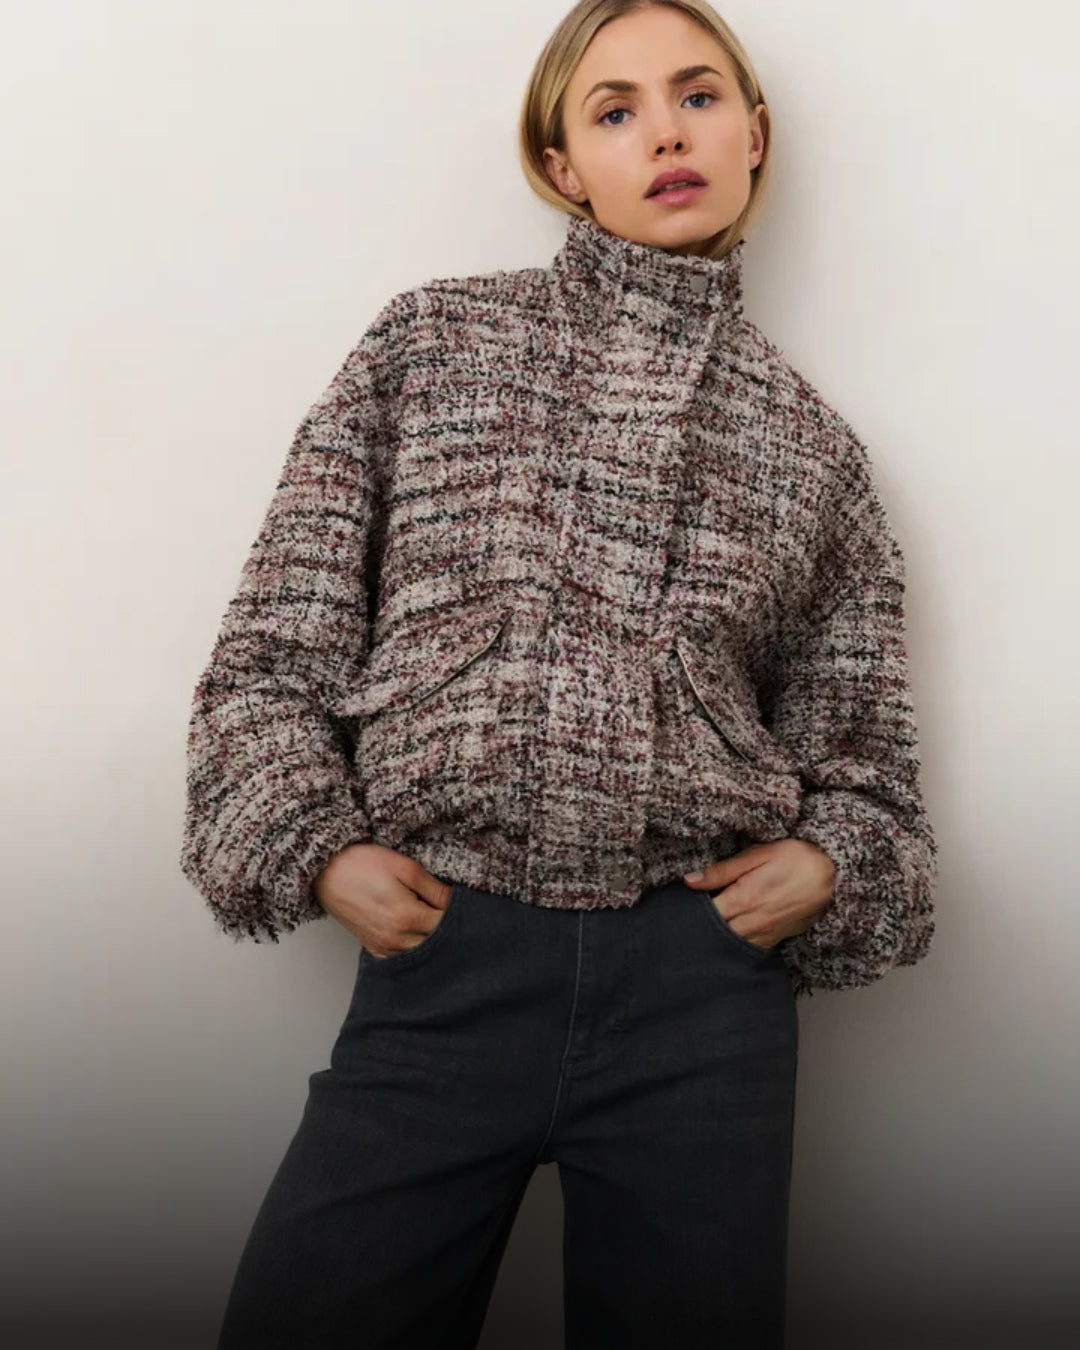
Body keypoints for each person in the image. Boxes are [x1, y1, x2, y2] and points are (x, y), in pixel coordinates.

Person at [181, 2, 938, 1346]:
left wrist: (831, 862)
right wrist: (315, 847)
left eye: (699, 97)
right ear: (559, 165)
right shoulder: (431, 347)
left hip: (700, 999)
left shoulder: (813, 450)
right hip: (448, 964)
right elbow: (270, 654)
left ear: (754, 136)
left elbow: (866, 765)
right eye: (615, 110)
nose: (666, 133)